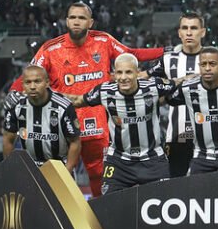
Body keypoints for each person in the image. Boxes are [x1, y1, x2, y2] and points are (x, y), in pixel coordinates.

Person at [6, 1, 165, 197]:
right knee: (59, 178)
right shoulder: (50, 49)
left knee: (100, 176)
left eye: (81, 18)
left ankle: (103, 217)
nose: (76, 21)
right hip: (61, 126)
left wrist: (166, 52)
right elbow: (31, 73)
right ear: (66, 21)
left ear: (90, 22)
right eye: (72, 17)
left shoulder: (104, 41)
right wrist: (13, 90)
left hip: (97, 124)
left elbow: (131, 54)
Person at [144, 11, 218, 177]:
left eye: (194, 28)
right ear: (179, 32)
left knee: (213, 185)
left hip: (212, 136)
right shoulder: (168, 60)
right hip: (178, 134)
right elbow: (144, 82)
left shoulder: (215, 57)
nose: (189, 32)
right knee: (177, 185)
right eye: (185, 28)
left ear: (202, 32)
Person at [66, 54, 176, 195]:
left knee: (164, 205)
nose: (123, 77)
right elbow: (77, 101)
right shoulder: (105, 91)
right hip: (118, 162)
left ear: (137, 72)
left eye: (128, 72)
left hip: (153, 160)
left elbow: (179, 83)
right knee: (109, 207)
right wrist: (49, 94)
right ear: (114, 74)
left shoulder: (154, 87)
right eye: (119, 72)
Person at [2, 65, 81, 173]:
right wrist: (10, 169)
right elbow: (8, 139)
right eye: (28, 82)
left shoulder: (63, 106)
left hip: (60, 167)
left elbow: (75, 142)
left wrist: (67, 170)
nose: (33, 86)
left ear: (47, 83)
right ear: (23, 85)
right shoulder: (16, 106)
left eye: (37, 81)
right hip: (30, 169)